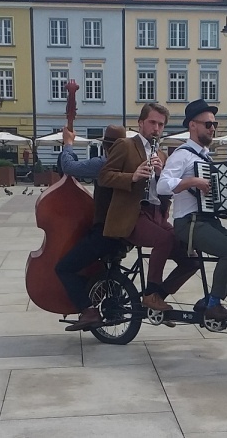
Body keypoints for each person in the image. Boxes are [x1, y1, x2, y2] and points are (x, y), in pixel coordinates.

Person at [158, 99, 227, 321]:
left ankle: (208, 300)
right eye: (208, 124)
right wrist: (191, 181)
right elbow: (163, 185)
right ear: (192, 125)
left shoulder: (205, 157)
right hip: (189, 222)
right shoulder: (182, 154)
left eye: (214, 125)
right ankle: (213, 305)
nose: (213, 129)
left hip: (208, 220)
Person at [99, 103, 199, 312]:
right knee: (165, 239)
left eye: (161, 125)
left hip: (156, 214)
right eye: (152, 122)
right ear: (141, 123)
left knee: (191, 257)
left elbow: (165, 190)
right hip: (132, 215)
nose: (156, 128)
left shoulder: (161, 155)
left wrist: (162, 174)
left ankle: (158, 297)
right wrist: (132, 176)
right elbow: (105, 176)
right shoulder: (125, 145)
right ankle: (150, 293)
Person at [55, 125, 130, 331]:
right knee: (109, 267)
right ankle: (115, 305)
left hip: (104, 232)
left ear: (106, 146)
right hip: (125, 234)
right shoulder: (131, 164)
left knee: (64, 268)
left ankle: (88, 311)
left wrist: (68, 143)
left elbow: (69, 167)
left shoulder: (103, 164)